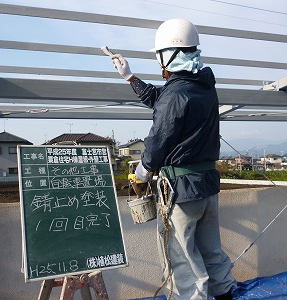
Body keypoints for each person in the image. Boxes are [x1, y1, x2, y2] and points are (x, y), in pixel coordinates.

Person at [110, 19, 236, 300]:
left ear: (169, 55)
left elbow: (158, 140)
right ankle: (226, 293)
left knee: (181, 258)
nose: (159, 63)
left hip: (181, 190)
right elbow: (162, 99)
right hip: (205, 186)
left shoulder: (177, 93)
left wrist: (141, 174)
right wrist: (130, 77)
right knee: (210, 248)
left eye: (160, 57)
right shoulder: (202, 86)